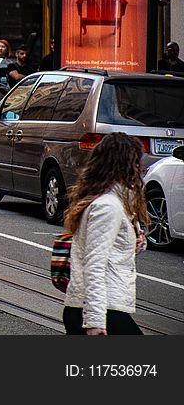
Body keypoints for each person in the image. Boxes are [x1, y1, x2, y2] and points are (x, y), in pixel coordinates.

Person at [62, 133, 149, 335]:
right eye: (137, 162)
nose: (141, 169)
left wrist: (137, 242)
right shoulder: (108, 206)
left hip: (98, 307)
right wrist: (95, 321)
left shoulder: (114, 201)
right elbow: (94, 264)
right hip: (100, 310)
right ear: (125, 164)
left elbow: (113, 252)